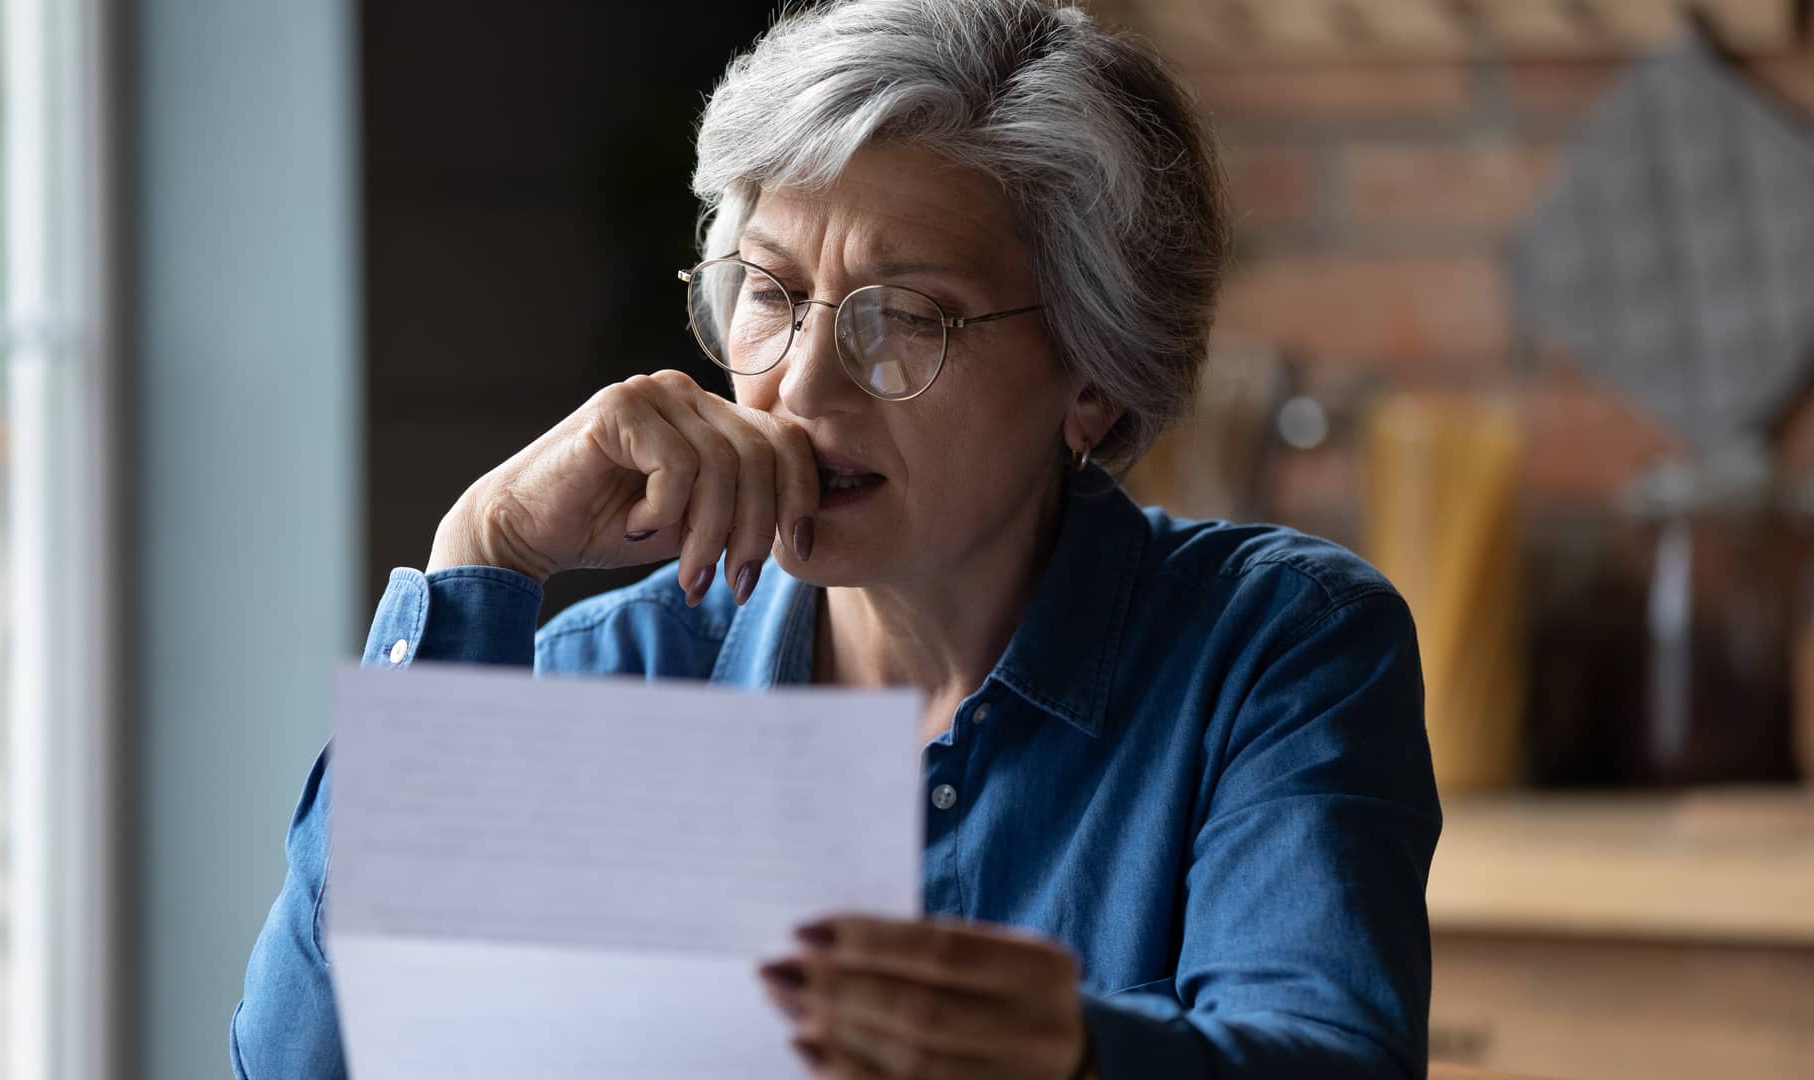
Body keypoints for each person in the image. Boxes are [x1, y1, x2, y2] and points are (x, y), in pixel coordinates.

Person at [231, 1, 1441, 1077]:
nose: (803, 387)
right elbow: (305, 1063)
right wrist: (482, 554)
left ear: (1093, 377)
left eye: (903, 317)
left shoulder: (1274, 648)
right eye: (769, 291)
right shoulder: (622, 675)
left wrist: (1075, 1056)